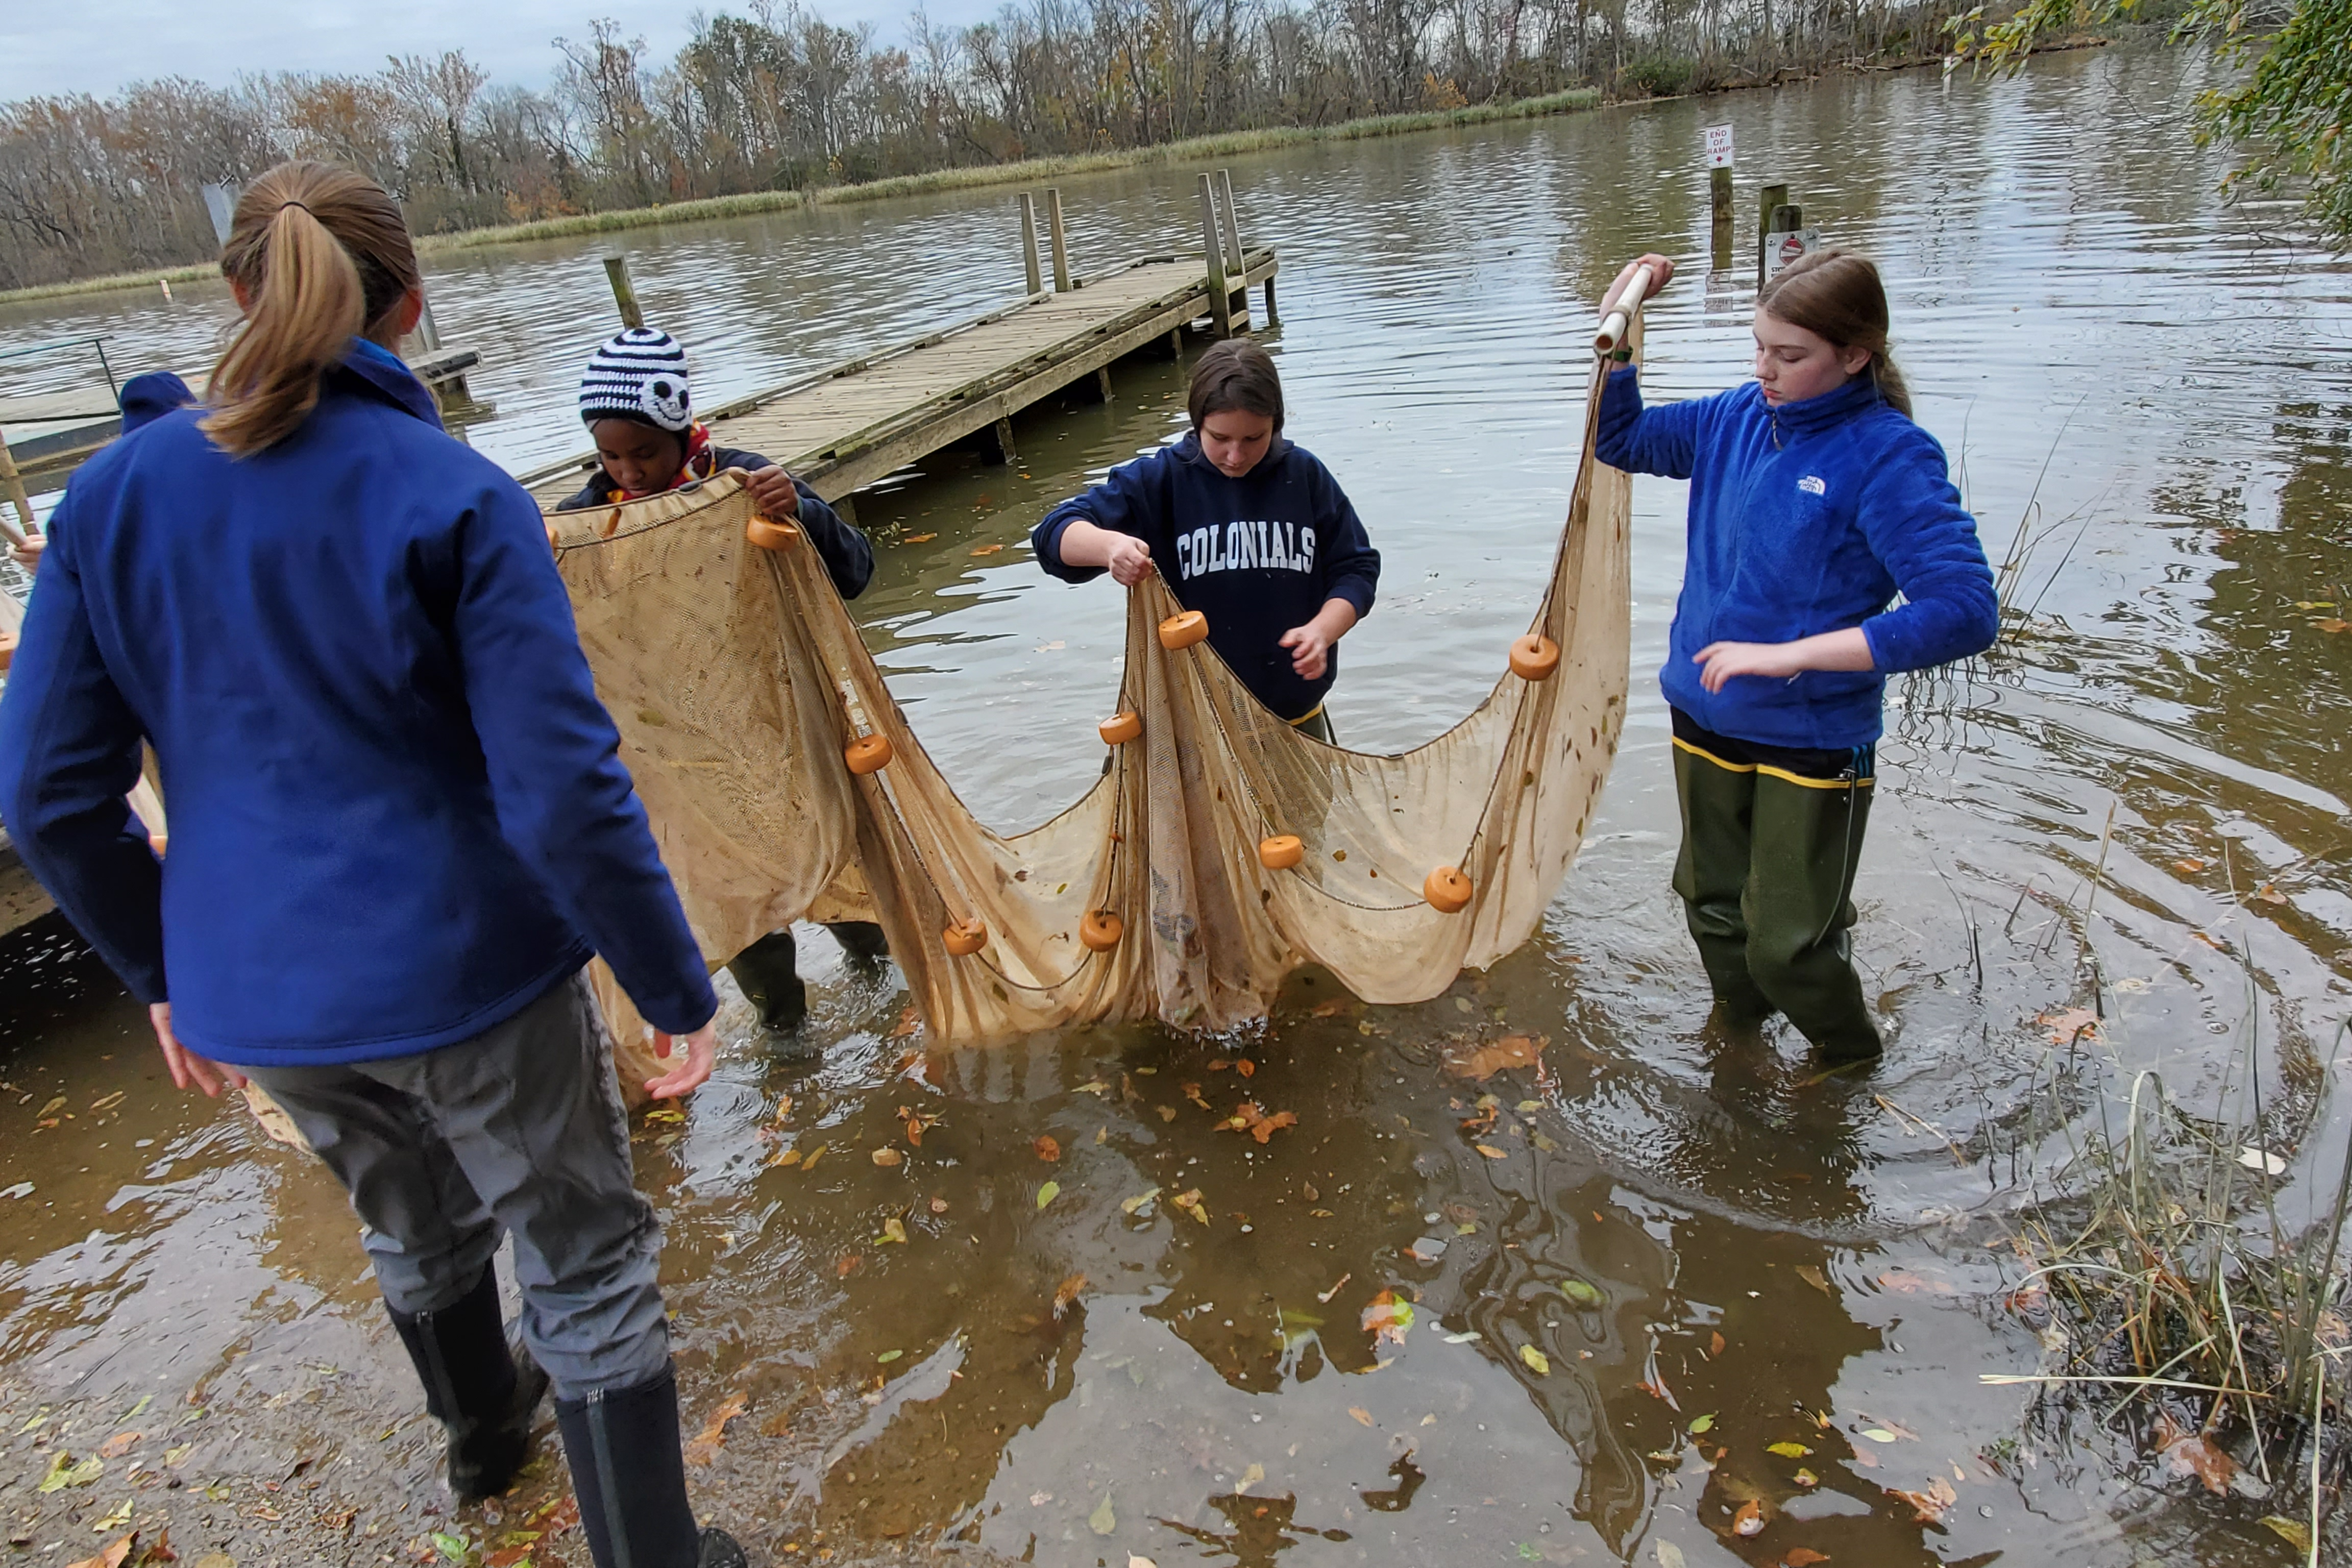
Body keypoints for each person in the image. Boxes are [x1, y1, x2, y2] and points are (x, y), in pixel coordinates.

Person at [0, 161, 745, 1568]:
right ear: (409, 305)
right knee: (583, 1263)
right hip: (471, 971)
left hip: (258, 1001)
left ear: (236, 294)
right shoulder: (454, 495)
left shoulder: (105, 504)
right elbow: (564, 790)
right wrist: (671, 979)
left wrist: (162, 971)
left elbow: (46, 796)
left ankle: (483, 1447)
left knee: (409, 1217)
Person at [1594, 249, 1997, 1065]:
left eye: (1790, 355)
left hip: (1811, 737)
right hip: (1703, 713)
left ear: (1855, 356)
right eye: (1759, 348)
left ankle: (1849, 1068)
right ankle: (1740, 1046)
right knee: (1709, 904)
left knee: (1789, 943)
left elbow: (1964, 611)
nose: (1765, 371)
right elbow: (1622, 439)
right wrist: (1622, 333)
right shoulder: (1734, 418)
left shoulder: (1888, 456)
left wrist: (1791, 656)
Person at [557, 327, 886, 1032]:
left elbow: (856, 572)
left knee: (838, 871)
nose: (630, 471)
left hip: (781, 728)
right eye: (610, 454)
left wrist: (798, 512)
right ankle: (786, 1034)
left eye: (644, 452)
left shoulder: (744, 484)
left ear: (683, 432)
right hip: (688, 752)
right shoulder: (588, 520)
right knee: (734, 896)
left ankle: (881, 980)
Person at [1029, 339, 1380, 741]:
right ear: (1197, 424)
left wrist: (1322, 631)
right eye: (1220, 438)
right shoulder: (1160, 480)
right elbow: (1053, 534)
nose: (1235, 456)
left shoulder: (1304, 476)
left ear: (1276, 424)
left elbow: (1357, 569)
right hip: (1195, 727)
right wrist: (1110, 548)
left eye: (1254, 438)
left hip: (1295, 721)